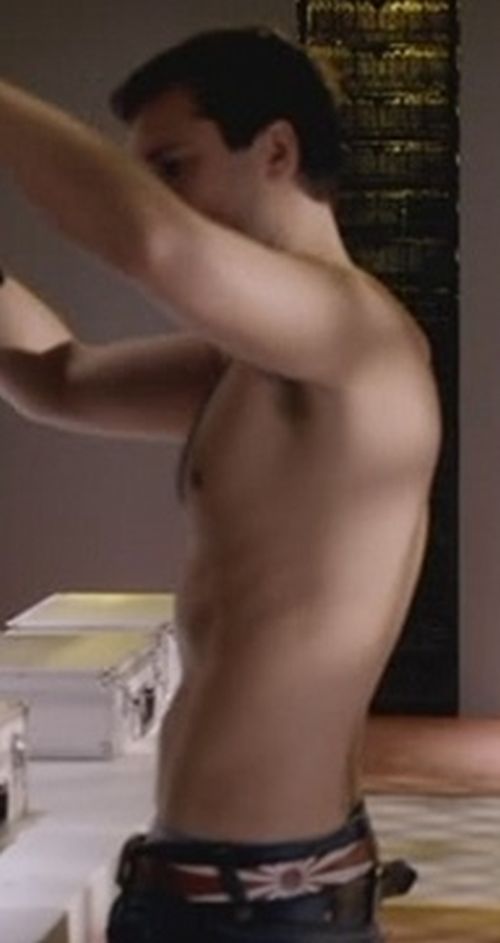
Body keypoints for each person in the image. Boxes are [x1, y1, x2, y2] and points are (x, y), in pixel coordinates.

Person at [0, 25, 441, 943]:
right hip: (203, 888)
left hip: (267, 906)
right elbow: (55, 379)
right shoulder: (245, 368)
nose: (158, 196)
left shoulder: (360, 335)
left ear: (275, 151)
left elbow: (155, 243)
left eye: (175, 166)